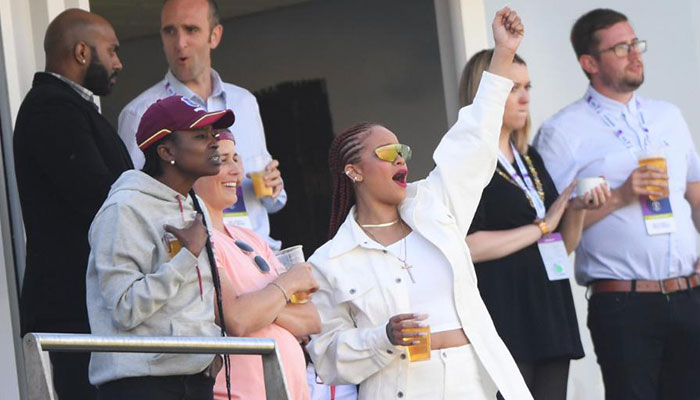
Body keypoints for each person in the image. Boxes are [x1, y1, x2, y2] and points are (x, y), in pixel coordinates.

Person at [307, 8, 532, 400]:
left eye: (403, 150)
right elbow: (326, 357)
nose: (401, 159)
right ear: (354, 171)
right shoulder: (329, 261)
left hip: (470, 383)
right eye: (387, 151)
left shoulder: (434, 207)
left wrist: (503, 55)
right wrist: (383, 337)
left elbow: (473, 139)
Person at [533, 8, 700, 400]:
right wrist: (623, 196)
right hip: (624, 303)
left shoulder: (668, 116)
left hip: (690, 294)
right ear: (589, 63)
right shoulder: (562, 132)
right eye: (621, 48)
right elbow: (549, 231)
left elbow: (694, 194)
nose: (635, 54)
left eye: (635, 43)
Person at [459, 49, 609, 399]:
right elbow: (467, 246)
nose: (525, 96)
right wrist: (541, 227)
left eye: (528, 86)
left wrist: (576, 209)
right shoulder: (469, 160)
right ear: (488, 91)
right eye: (513, 88)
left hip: (549, 306)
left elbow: (563, 245)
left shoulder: (529, 156)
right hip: (508, 310)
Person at [12, 8, 130, 399]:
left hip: (86, 306)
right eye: (111, 51)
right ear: (82, 52)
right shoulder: (51, 108)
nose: (119, 62)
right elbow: (99, 197)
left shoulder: (69, 106)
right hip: (73, 307)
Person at [86, 95, 234, 399]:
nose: (214, 143)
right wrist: (186, 256)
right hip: (141, 385)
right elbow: (123, 309)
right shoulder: (124, 209)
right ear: (166, 151)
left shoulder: (197, 206)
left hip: (195, 381)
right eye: (199, 135)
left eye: (213, 134)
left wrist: (212, 350)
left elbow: (198, 297)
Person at [118, 0, 286, 250]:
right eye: (170, 31)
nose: (180, 43)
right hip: (195, 266)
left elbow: (272, 200)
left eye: (191, 30)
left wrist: (273, 187)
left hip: (259, 257)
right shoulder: (140, 112)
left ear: (214, 36)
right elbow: (132, 209)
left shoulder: (244, 102)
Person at [192, 129, 320, 400]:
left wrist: (256, 307)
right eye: (220, 160)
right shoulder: (195, 239)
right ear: (192, 170)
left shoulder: (251, 237)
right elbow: (237, 320)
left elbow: (311, 320)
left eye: (236, 158)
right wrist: (288, 283)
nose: (234, 170)